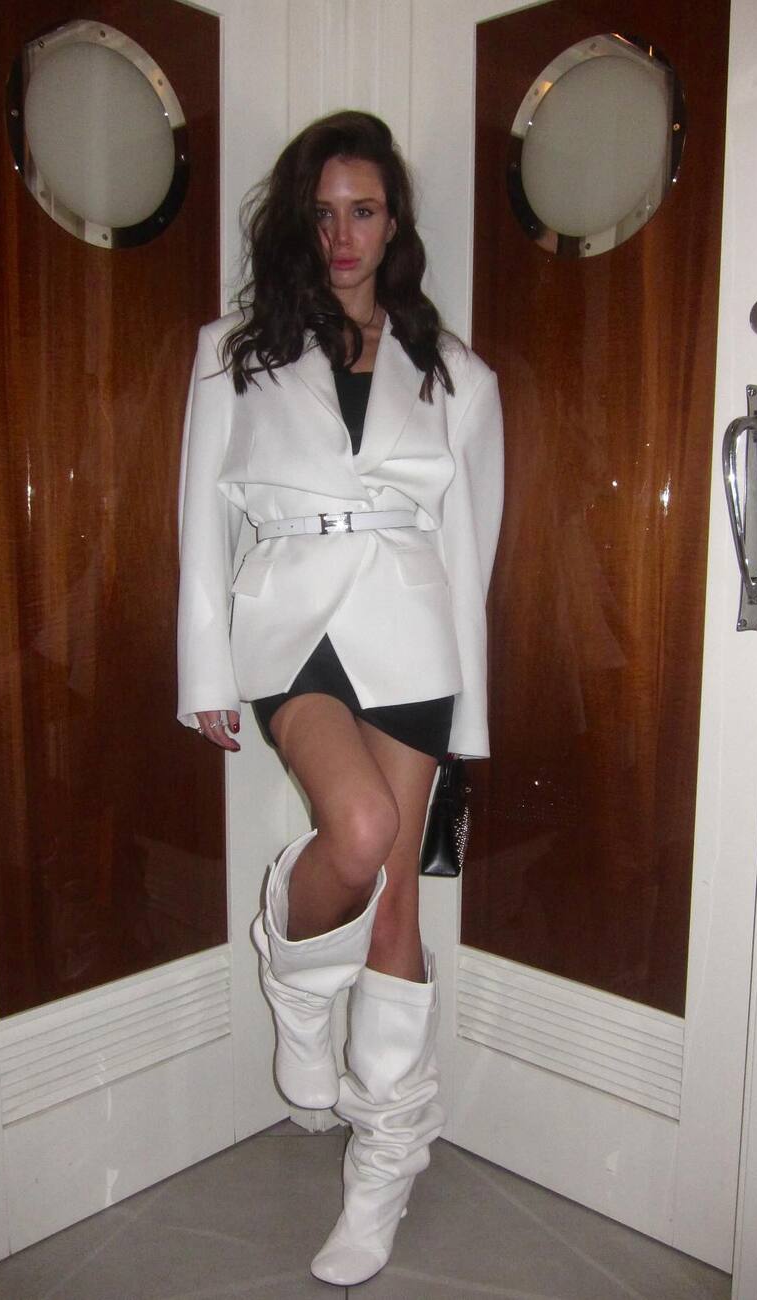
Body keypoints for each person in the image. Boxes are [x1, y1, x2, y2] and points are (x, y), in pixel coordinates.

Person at [176, 110, 504, 1287]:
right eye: (321, 214)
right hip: (288, 618)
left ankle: (385, 1161)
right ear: (298, 225)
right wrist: (202, 668)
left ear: (395, 221)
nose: (342, 235)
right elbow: (199, 515)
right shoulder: (232, 350)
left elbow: (469, 549)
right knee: (358, 832)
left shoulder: (456, 372)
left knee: (397, 899)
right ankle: (295, 973)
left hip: (411, 628)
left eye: (362, 210)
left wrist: (469, 714)